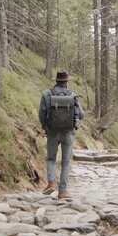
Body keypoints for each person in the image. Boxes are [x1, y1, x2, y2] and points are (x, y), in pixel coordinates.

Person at [39, 71, 84, 199]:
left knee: (51, 159)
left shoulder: (47, 94)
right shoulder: (73, 95)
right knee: (66, 162)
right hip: (68, 133)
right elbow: (81, 114)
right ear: (66, 82)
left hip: (52, 132)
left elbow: (42, 114)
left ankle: (51, 183)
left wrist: (45, 127)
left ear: (56, 81)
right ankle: (63, 191)